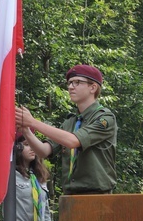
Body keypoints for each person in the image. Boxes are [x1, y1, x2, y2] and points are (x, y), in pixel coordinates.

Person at [15, 64, 117, 194]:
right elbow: (43, 151)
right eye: (69, 83)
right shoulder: (70, 122)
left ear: (93, 87)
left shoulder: (105, 118)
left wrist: (33, 122)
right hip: (70, 196)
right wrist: (26, 131)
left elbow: (73, 141)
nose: (70, 87)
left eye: (77, 82)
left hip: (97, 196)